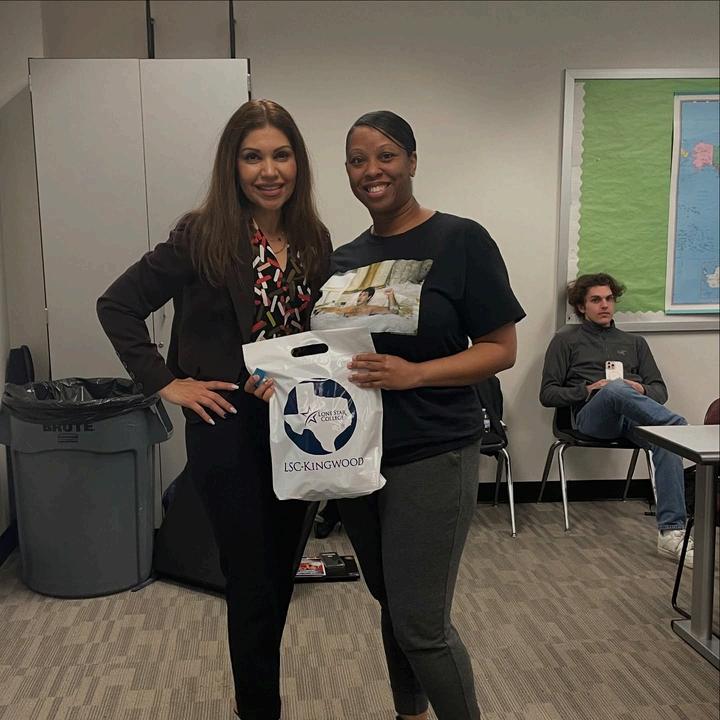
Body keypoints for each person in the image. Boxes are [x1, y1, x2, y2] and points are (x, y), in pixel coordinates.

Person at [97, 99, 331, 720]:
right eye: (252, 157)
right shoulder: (202, 235)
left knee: (279, 574)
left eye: (281, 155)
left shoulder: (313, 240)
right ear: (233, 164)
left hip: (299, 428)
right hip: (227, 428)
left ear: (298, 163)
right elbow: (117, 306)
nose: (268, 171)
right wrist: (166, 383)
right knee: (250, 580)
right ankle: (260, 709)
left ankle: (258, 694)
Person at [312, 111, 525, 720]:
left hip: (433, 449)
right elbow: (326, 356)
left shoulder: (460, 240)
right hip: (356, 456)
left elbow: (500, 350)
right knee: (392, 602)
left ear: (411, 160)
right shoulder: (343, 259)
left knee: (422, 624)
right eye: (357, 160)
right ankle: (411, 713)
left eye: (386, 156)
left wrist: (416, 373)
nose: (372, 171)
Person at [539, 273, 693, 567]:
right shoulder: (565, 341)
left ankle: (671, 534)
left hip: (631, 419)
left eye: (609, 299)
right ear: (581, 306)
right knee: (615, 389)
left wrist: (641, 389)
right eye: (596, 300)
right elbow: (547, 394)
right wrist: (588, 389)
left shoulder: (635, 342)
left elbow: (660, 391)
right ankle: (678, 428)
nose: (605, 305)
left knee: (665, 442)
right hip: (590, 419)